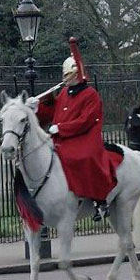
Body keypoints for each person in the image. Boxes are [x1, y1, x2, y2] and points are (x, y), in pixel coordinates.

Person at [27, 38, 122, 221]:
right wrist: (36, 108)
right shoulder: (64, 93)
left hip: (84, 137)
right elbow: (52, 111)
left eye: (68, 76)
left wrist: (61, 128)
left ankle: (98, 200)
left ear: (76, 75)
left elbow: (85, 121)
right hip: (62, 137)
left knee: (82, 157)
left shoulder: (90, 95)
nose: (66, 80)